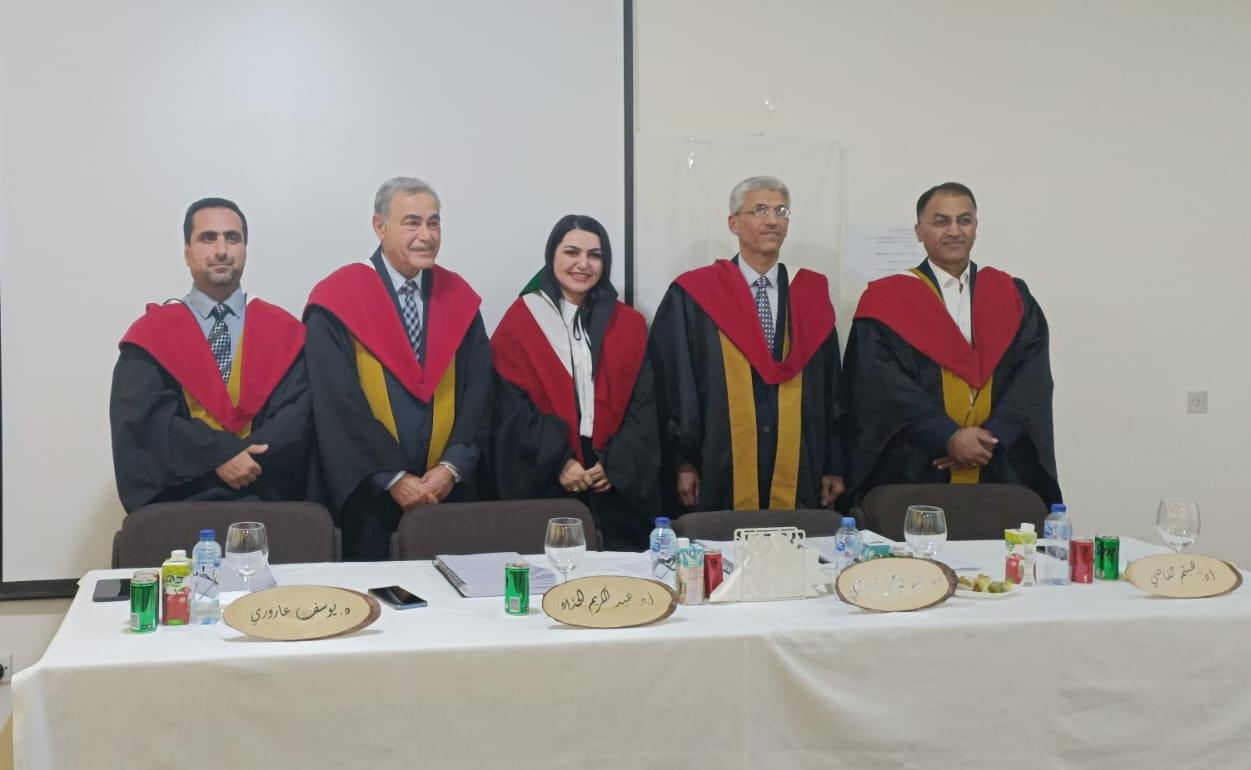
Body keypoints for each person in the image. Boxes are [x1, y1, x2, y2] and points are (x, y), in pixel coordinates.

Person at [304, 177, 491, 560]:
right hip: (370, 497)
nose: (426, 235)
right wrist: (392, 478)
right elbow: (337, 403)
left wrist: (452, 467)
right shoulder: (338, 299)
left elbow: (479, 393)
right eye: (412, 223)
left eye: (433, 223)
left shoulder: (458, 299)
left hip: (446, 495)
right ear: (380, 226)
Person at [842, 181, 1060, 506]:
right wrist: (947, 436)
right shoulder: (887, 300)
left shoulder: (1012, 295)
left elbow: (1032, 377)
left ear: (976, 227)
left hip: (998, 464)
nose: (955, 231)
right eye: (941, 221)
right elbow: (881, 384)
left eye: (964, 220)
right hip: (917, 464)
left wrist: (988, 440)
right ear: (919, 231)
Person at [649, 176, 846, 515]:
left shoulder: (810, 293)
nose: (772, 220)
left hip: (801, 461)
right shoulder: (694, 294)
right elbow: (674, 384)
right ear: (734, 223)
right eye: (760, 210)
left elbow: (832, 387)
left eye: (781, 211)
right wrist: (683, 461)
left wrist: (834, 463)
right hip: (718, 462)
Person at [110, 198, 313, 512]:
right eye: (208, 238)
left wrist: (246, 462)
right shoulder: (152, 335)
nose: (221, 250)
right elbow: (147, 422)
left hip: (268, 502)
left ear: (245, 250)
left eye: (232, 238)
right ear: (187, 252)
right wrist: (218, 455)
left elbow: (296, 418)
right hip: (181, 505)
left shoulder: (285, 332)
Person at [490, 215, 659, 550]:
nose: (583, 264)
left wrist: (615, 464)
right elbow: (510, 409)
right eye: (571, 252)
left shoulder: (628, 324)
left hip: (612, 479)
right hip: (547, 476)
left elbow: (644, 405)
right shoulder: (522, 320)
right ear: (551, 256)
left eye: (595, 255)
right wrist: (559, 461)